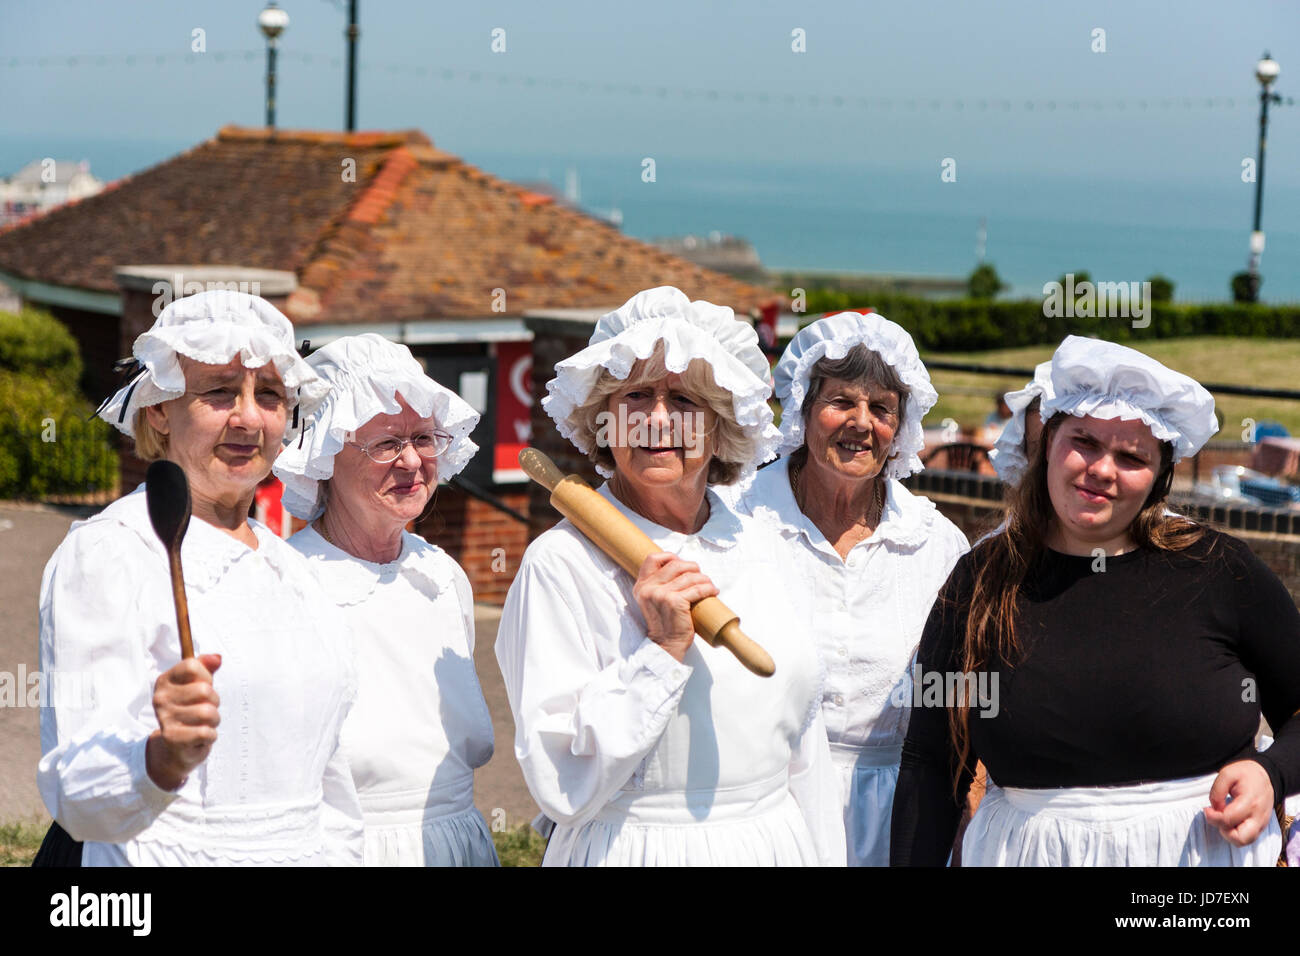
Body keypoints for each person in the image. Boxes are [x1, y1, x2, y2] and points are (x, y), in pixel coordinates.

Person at [891, 335, 1300, 866]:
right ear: (1047, 443)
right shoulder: (980, 579)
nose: (1103, 469)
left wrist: (1272, 773)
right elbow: (930, 760)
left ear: (1159, 477)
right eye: (1084, 441)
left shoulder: (1218, 570)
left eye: (1132, 455)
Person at [496, 286, 845, 866]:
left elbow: (806, 752)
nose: (657, 420)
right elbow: (561, 781)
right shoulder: (559, 564)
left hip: (774, 844)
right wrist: (661, 653)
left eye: (684, 400)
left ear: (721, 426)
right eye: (636, 396)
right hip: (635, 848)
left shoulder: (763, 543)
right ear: (605, 421)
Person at [37, 290, 363, 866]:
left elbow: (330, 788)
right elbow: (75, 790)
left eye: (269, 395)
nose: (247, 418)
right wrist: (159, 758)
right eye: (218, 391)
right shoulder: (112, 553)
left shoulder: (292, 569)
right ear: (159, 410)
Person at [735, 310, 969, 866]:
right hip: (765, 800)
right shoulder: (737, 519)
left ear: (900, 427)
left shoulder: (937, 545)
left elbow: (964, 699)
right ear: (804, 409)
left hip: (897, 813)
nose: (862, 423)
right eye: (841, 401)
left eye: (882, 409)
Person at [273, 333, 499, 866]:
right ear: (325, 456)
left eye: (423, 437)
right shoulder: (289, 581)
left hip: (457, 843)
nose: (412, 462)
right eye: (385, 444)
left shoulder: (442, 576)